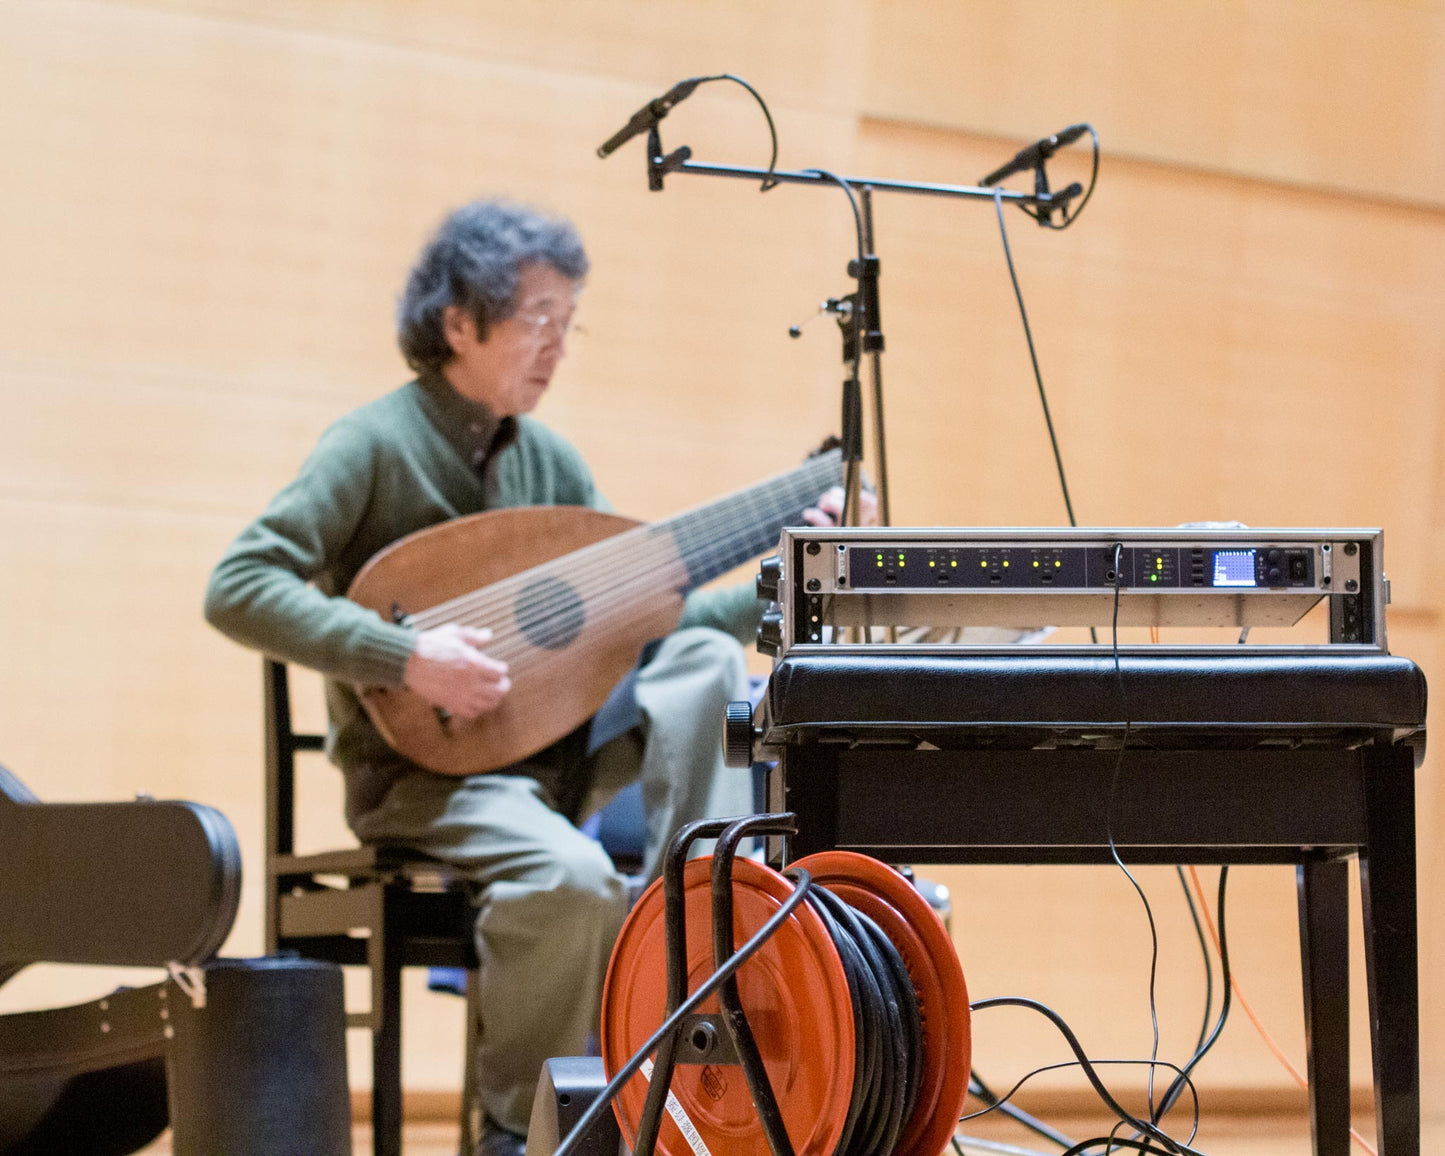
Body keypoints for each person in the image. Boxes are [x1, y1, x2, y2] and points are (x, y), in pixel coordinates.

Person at [203, 198, 858, 1156]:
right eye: (537, 319)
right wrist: (404, 655)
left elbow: (635, 629)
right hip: (425, 780)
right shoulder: (373, 446)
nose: (556, 345)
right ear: (458, 323)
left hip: (554, 760)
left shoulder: (550, 463)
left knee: (706, 659)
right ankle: (527, 1131)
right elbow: (239, 584)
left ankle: (695, 899)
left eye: (568, 321)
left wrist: (788, 570)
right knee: (571, 878)